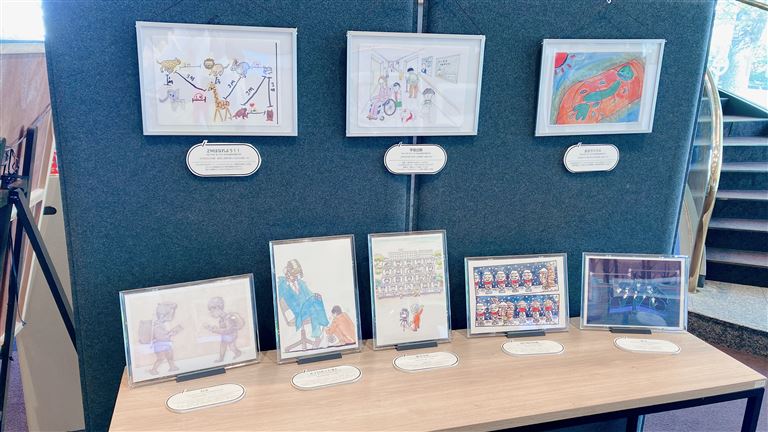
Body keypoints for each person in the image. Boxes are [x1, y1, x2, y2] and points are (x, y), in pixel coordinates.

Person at [277, 259, 329, 350]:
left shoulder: (301, 283)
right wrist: (287, 282)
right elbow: (286, 300)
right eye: (294, 272)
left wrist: (315, 296)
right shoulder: (283, 285)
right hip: (297, 312)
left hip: (306, 309)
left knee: (317, 299)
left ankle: (319, 335)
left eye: (298, 272)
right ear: (288, 272)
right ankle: (323, 330)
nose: (296, 275)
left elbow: (309, 294)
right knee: (313, 308)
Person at [205, 297, 244, 362]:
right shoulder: (221, 320)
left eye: (212, 311)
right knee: (226, 346)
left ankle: (237, 353)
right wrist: (213, 328)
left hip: (231, 335)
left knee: (231, 347)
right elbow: (223, 329)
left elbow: (228, 330)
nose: (211, 313)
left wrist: (215, 330)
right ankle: (222, 358)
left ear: (217, 308)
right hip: (225, 336)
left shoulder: (228, 317)